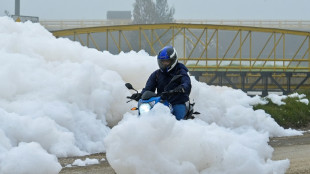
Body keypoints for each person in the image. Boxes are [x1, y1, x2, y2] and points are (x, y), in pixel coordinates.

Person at [131, 46, 192, 120]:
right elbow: (148, 88)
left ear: (173, 60)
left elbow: (187, 84)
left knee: (178, 119)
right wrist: (140, 95)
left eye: (167, 61)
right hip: (161, 102)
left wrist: (181, 88)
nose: (164, 64)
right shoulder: (156, 74)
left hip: (177, 102)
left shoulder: (180, 72)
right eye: (162, 61)